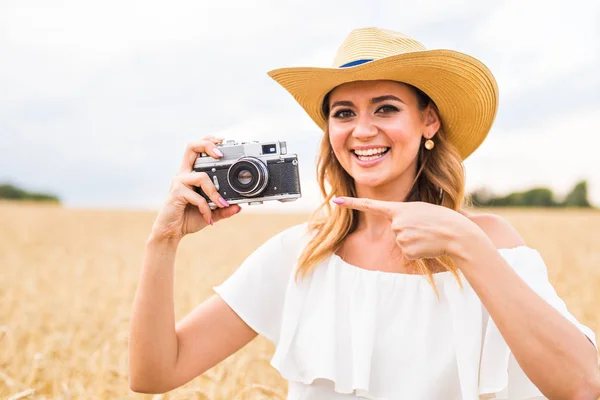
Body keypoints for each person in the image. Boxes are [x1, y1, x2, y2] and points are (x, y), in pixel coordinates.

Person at [128, 27, 600, 399]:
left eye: (386, 108)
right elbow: (155, 373)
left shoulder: (486, 240)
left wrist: (467, 245)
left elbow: (582, 386)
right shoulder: (300, 255)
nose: (363, 130)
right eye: (344, 113)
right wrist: (163, 240)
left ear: (428, 121)